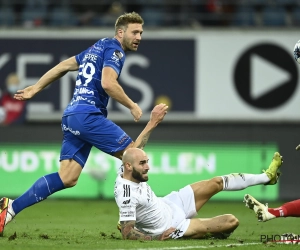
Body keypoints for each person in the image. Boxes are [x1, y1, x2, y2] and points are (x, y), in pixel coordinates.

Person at [0, 11, 168, 237]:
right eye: (135, 32)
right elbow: (108, 83)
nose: (139, 37)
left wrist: (35, 88)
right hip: (88, 116)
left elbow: (62, 66)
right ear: (121, 32)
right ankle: (129, 222)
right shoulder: (115, 51)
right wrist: (133, 106)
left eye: (141, 32)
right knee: (134, 156)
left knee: (67, 177)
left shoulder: (96, 48)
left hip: (72, 116)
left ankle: (9, 209)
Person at [114, 149, 283, 240]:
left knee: (216, 182)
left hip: (169, 203)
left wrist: (152, 122)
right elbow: (127, 233)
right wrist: (158, 238)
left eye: (147, 162)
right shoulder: (127, 195)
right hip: (171, 226)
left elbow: (136, 147)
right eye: (143, 163)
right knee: (231, 221)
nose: (148, 167)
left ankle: (267, 177)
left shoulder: (124, 168)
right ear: (129, 166)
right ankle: (207, 233)